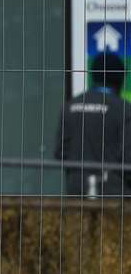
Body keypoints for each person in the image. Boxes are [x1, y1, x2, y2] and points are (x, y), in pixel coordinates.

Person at [54, 51, 131, 195]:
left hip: (77, 191)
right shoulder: (124, 110)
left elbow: (60, 152)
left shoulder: (70, 106)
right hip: (114, 195)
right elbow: (128, 157)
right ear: (120, 78)